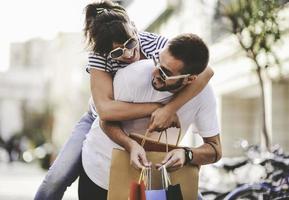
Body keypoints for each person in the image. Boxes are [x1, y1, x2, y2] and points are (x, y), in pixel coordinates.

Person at [35, 1, 214, 199]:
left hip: (143, 126)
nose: (129, 54)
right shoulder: (98, 57)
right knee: (55, 179)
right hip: (98, 119)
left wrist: (170, 109)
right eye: (117, 53)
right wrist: (156, 107)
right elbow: (105, 111)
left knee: (182, 190)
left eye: (130, 44)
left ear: (135, 30)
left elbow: (206, 72)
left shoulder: (154, 43)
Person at [79, 33, 222, 199]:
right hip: (100, 173)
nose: (155, 71)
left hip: (151, 185)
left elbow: (215, 149)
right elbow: (105, 120)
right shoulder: (133, 76)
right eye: (158, 61)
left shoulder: (203, 96)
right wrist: (130, 145)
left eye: (165, 72)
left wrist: (186, 154)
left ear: (190, 79)